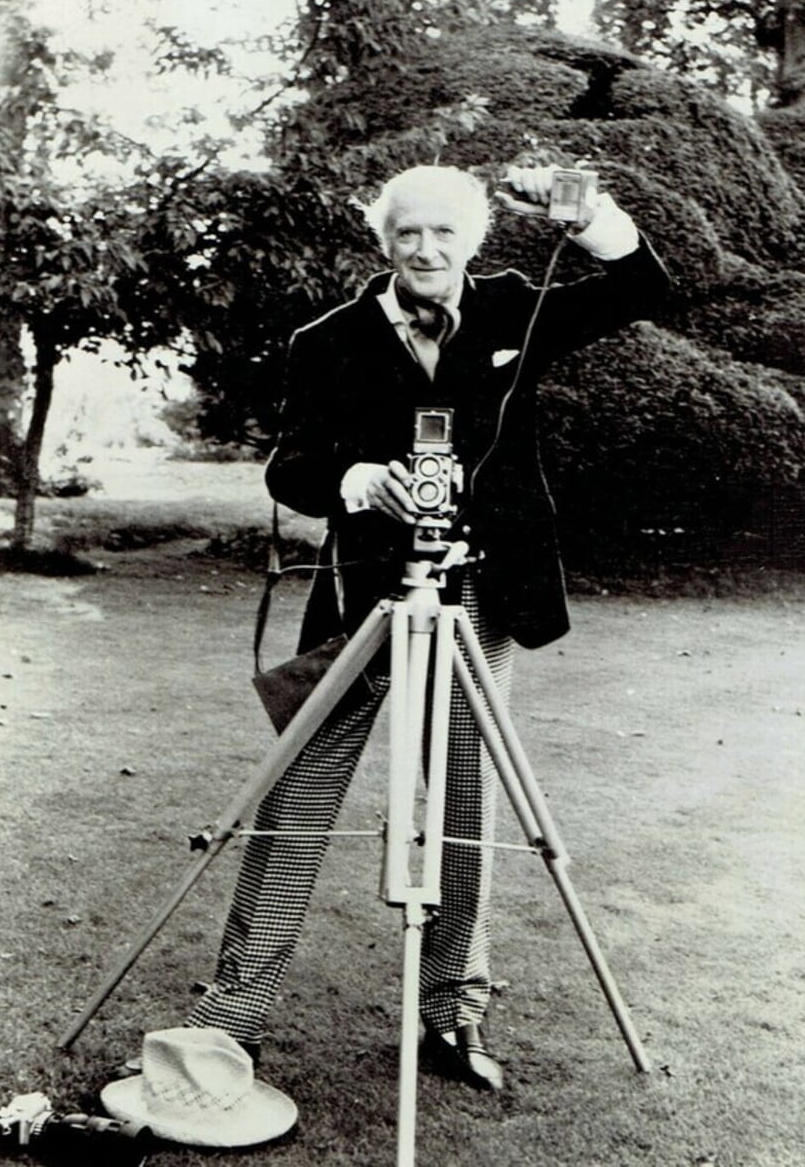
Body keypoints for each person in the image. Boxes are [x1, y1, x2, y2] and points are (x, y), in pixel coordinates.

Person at [183, 163, 670, 1091]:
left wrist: (585, 212)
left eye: (445, 232)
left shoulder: (514, 311)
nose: (426, 249)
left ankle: (452, 1016)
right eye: (408, 232)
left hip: (481, 593)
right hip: (367, 589)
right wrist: (356, 481)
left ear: (474, 238)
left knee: (460, 799)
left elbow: (644, 286)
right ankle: (232, 1019)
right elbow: (291, 469)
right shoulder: (325, 340)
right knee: (298, 789)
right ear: (385, 240)